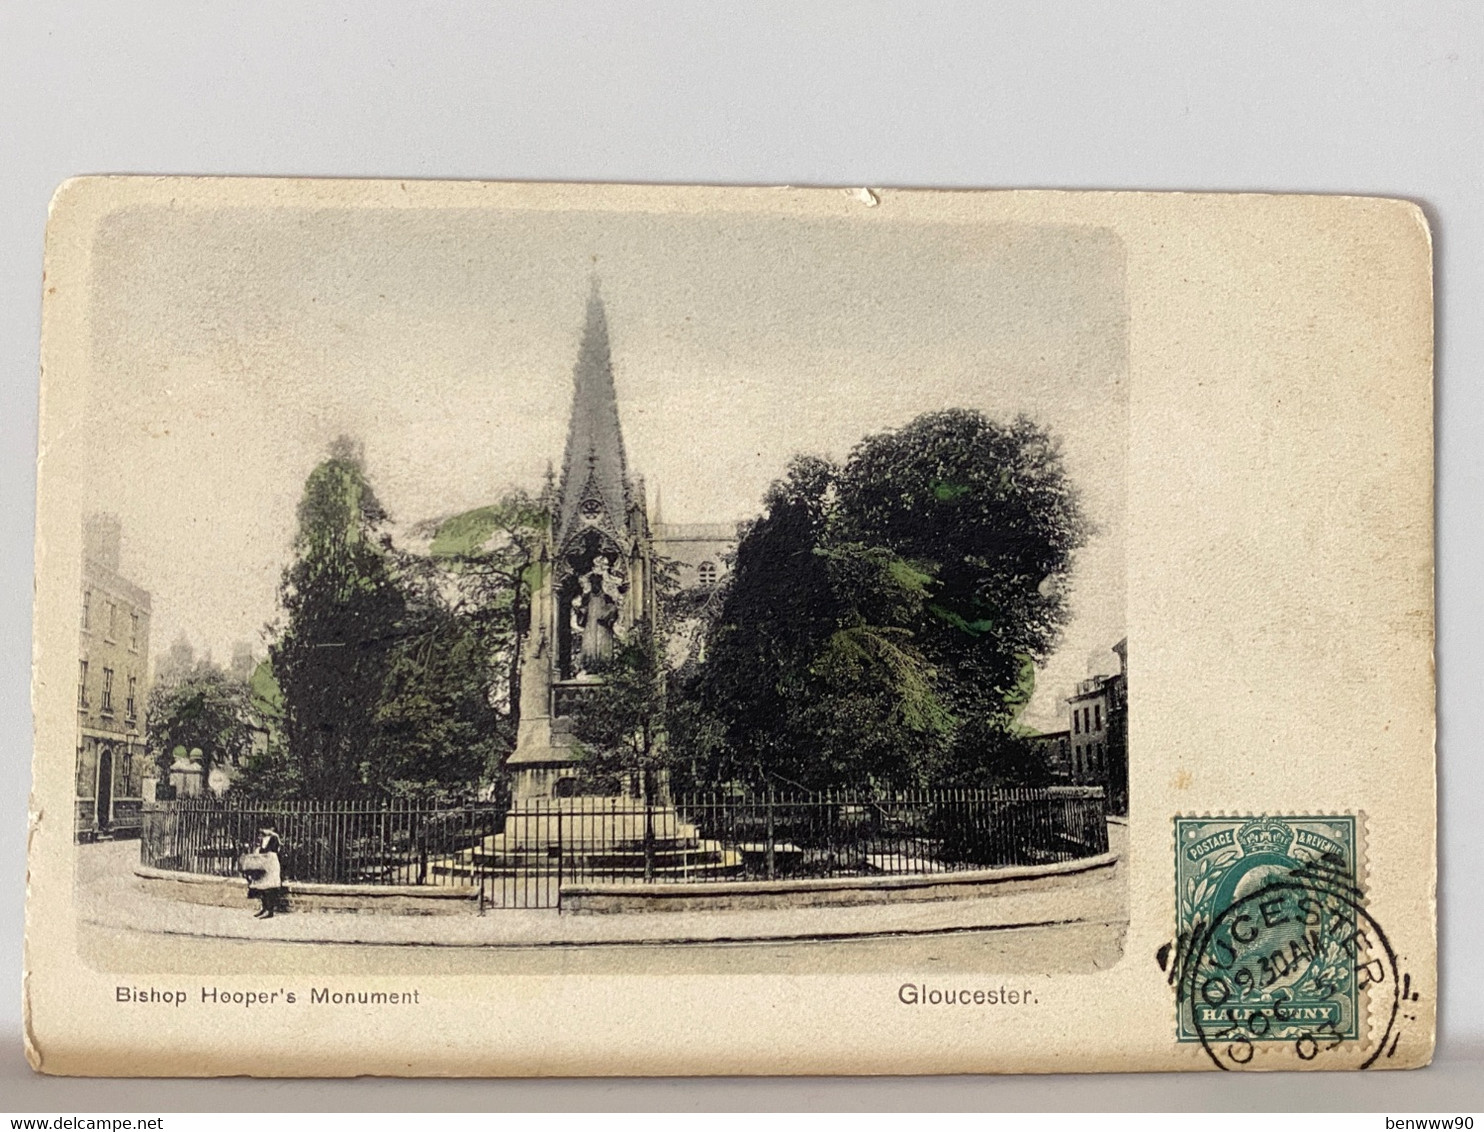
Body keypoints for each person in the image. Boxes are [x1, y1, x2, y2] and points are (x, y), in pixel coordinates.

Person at [243, 826, 284, 918]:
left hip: (271, 864)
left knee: (270, 888)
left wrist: (260, 850)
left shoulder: (274, 838)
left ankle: (270, 910)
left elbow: (270, 850)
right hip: (264, 864)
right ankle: (264, 908)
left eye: (265, 829)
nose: (263, 831)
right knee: (262, 887)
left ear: (271, 829)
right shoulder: (263, 839)